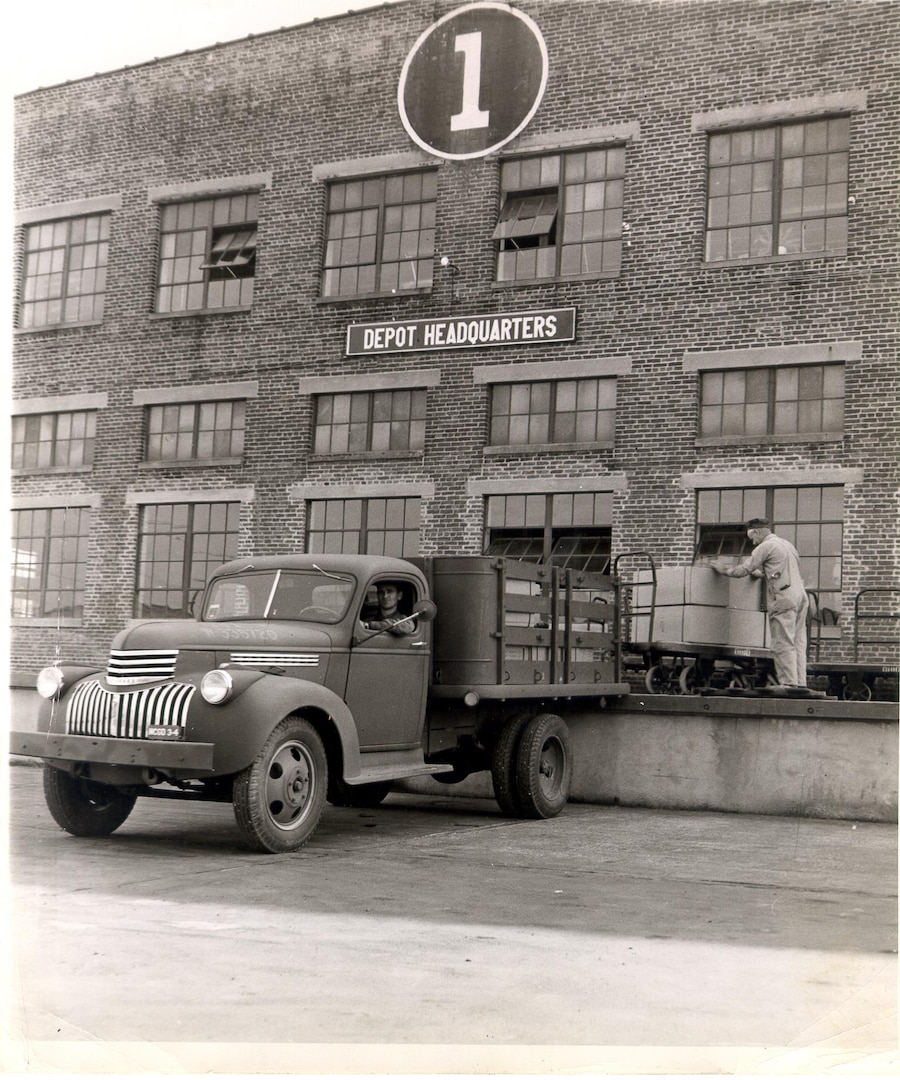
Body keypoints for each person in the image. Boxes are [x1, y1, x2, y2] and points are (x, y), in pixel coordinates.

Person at [712, 518, 810, 689]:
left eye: (752, 538)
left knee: (782, 642)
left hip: (783, 598)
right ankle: (800, 683)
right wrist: (764, 573)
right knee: (798, 642)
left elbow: (743, 570)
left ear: (757, 532)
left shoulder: (764, 547)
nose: (752, 542)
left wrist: (724, 569)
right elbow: (780, 569)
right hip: (801, 596)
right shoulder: (787, 545)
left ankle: (788, 683)